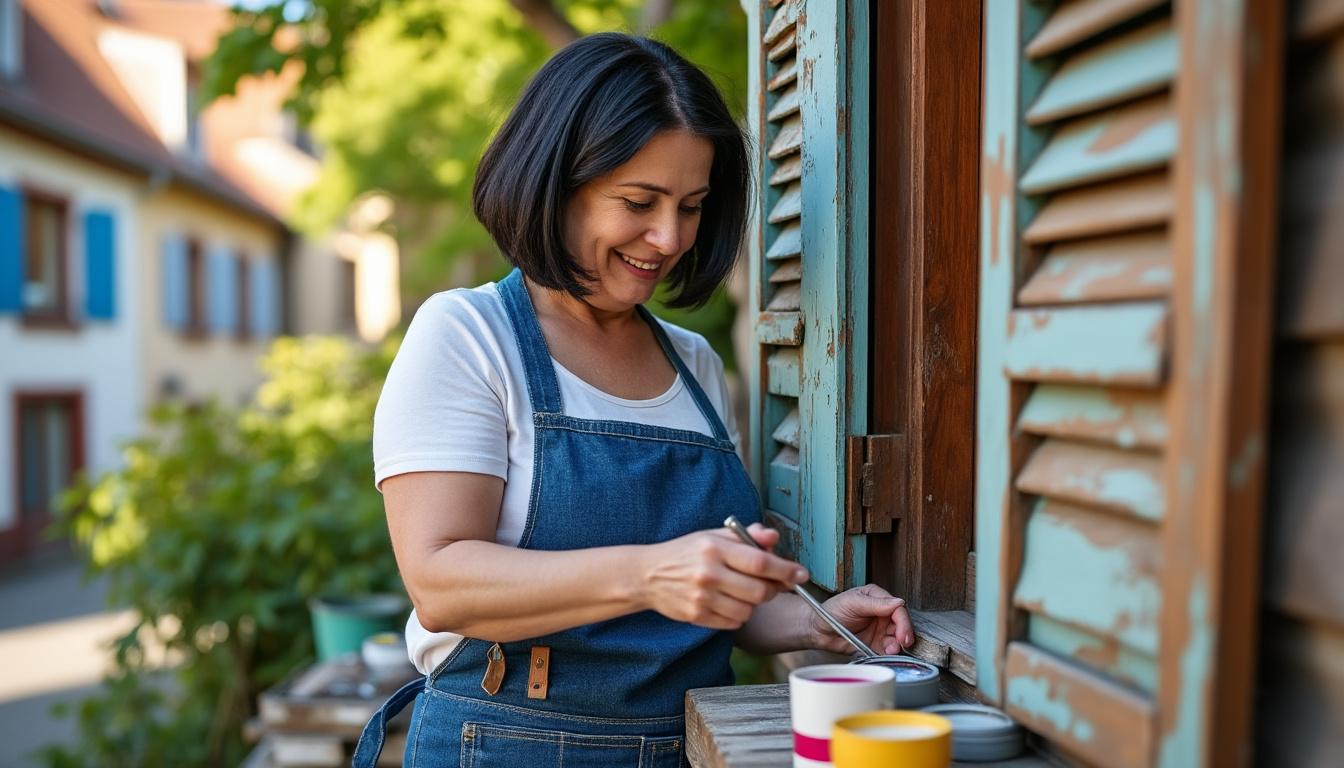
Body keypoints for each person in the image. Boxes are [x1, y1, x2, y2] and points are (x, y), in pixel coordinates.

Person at [353, 32, 914, 768]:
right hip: (503, 745)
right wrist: (653, 570)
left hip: (692, 748)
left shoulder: (695, 365)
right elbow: (443, 583)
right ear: (556, 182)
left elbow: (711, 600)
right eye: (640, 201)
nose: (671, 237)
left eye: (692, 206)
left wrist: (815, 625)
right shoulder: (468, 336)